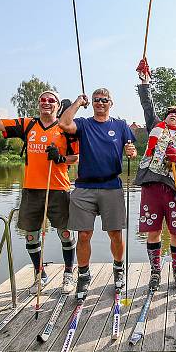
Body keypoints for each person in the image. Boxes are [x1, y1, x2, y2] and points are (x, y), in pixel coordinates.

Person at [0, 81, 79, 294]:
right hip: (32, 189)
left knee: (65, 233)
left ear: (58, 106)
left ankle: (69, 273)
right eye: (43, 100)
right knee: (31, 235)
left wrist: (60, 158)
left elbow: (76, 158)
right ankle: (40, 274)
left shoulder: (66, 128)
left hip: (58, 188)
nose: (46, 103)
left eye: (51, 100)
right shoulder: (27, 124)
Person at [59, 88, 137, 299]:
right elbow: (64, 124)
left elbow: (132, 149)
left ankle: (118, 270)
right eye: (96, 100)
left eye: (104, 100)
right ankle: (83, 276)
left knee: (115, 233)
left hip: (112, 186)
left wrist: (131, 152)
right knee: (84, 234)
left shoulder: (120, 125)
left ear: (111, 102)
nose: (100, 103)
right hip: (85, 187)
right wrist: (77, 102)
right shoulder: (84, 124)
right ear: (91, 103)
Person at [135, 59, 176, 290]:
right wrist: (145, 82)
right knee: (153, 231)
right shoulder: (155, 125)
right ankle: (155, 272)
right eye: (170, 113)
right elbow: (147, 105)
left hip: (174, 189)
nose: (173, 115)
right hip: (151, 185)